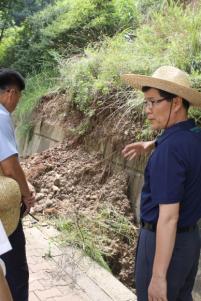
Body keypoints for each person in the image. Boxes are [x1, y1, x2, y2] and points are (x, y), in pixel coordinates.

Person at [122, 66, 201, 301]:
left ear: (176, 102)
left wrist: (158, 277)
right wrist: (153, 143)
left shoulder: (170, 151)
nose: (148, 110)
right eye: (146, 103)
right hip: (189, 244)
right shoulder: (194, 135)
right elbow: (180, 144)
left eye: (153, 102)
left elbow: (168, 217)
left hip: (163, 244)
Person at [0, 68, 35, 301]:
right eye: (18, 96)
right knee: (15, 274)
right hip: (4, 216)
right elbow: (10, 167)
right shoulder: (1, 117)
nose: (16, 102)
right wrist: (26, 194)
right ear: (11, 93)